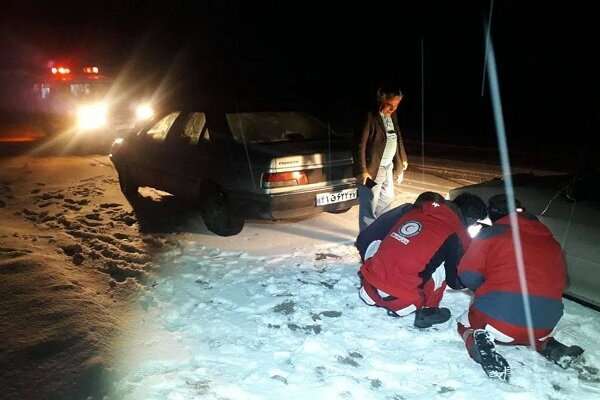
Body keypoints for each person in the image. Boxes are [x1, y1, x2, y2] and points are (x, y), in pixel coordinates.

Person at [456, 194, 584, 382]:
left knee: (462, 321)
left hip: (499, 323)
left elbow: (467, 276)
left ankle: (476, 342)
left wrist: (489, 287)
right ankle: (552, 347)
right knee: (536, 333)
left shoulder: (491, 234)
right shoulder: (552, 241)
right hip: (545, 325)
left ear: (492, 214)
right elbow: (564, 283)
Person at [357, 192, 487, 329]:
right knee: (444, 265)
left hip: (369, 286)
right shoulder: (457, 233)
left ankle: (381, 288)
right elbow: (455, 281)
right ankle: (429, 311)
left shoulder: (414, 212)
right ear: (469, 219)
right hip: (401, 301)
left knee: (397, 247)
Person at [353, 86, 408, 232]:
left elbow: (397, 136)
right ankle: (367, 235)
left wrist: (402, 159)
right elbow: (360, 145)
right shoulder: (370, 116)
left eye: (396, 106)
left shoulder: (392, 115)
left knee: (388, 197)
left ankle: (379, 227)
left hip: (388, 166)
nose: (392, 110)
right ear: (380, 100)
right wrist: (363, 171)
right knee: (369, 202)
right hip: (373, 169)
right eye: (389, 106)